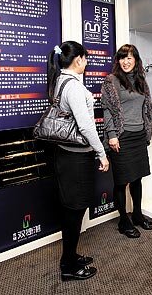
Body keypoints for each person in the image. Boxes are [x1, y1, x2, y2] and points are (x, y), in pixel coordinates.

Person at [46, 41, 110, 281]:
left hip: (66, 154)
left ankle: (70, 256)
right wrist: (101, 153)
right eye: (85, 58)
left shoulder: (59, 81)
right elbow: (86, 126)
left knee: (71, 209)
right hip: (76, 157)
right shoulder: (72, 86)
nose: (87, 62)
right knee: (74, 211)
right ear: (78, 59)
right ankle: (68, 266)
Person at [101, 44, 152, 238]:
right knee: (121, 181)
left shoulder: (141, 80)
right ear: (118, 60)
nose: (125, 62)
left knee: (137, 179)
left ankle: (137, 214)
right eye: (122, 58)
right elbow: (107, 109)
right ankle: (123, 220)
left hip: (139, 136)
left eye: (129, 58)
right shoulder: (112, 80)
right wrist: (112, 135)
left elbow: (144, 107)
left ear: (136, 60)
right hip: (122, 137)